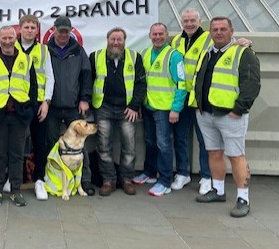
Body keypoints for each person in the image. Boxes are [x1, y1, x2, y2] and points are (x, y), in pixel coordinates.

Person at [171, 8, 252, 195]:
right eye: (186, 21)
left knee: (206, 143)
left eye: (193, 20)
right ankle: (183, 173)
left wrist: (247, 42)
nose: (189, 24)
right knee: (181, 138)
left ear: (200, 22)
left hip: (205, 101)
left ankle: (207, 178)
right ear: (181, 23)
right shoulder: (176, 40)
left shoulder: (210, 37)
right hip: (184, 97)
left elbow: (231, 46)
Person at [192, 17, 260, 218]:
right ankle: (218, 191)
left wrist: (239, 109)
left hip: (231, 116)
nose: (218, 32)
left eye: (223, 29)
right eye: (215, 29)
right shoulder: (207, 53)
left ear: (232, 31)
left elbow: (251, 84)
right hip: (206, 113)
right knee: (214, 153)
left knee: (236, 156)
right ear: (210, 33)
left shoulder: (244, 53)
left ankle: (243, 198)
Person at [89, 27, 146, 197]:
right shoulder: (95, 57)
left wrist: (135, 106)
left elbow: (141, 84)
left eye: (119, 40)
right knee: (104, 147)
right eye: (112, 39)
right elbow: (88, 81)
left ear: (124, 41)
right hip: (103, 108)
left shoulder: (135, 57)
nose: (115, 43)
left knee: (129, 147)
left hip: (126, 109)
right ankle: (108, 180)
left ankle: (126, 179)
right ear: (107, 40)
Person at [0, 26, 37, 207]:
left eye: (10, 38)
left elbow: (34, 88)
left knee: (17, 155)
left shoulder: (27, 59)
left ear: (16, 38)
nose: (7, 41)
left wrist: (29, 111)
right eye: (4, 38)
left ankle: (16, 190)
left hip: (19, 116)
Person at [135, 23, 186, 197]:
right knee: (149, 141)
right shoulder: (145, 53)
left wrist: (176, 109)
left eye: (160, 34)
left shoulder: (175, 56)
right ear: (150, 36)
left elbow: (181, 84)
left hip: (165, 109)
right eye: (154, 34)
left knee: (164, 144)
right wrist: (141, 104)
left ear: (167, 35)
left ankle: (165, 181)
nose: (157, 37)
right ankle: (150, 172)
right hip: (149, 105)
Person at [45, 16, 95, 196]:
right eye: (61, 30)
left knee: (80, 145)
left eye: (67, 31)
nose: (64, 34)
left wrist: (84, 99)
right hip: (52, 107)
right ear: (54, 30)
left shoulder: (78, 50)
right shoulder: (45, 50)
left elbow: (87, 76)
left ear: (70, 31)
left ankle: (85, 181)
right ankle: (51, 179)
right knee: (51, 145)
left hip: (74, 106)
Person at [15, 14, 54, 201]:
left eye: (33, 27)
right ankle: (13, 179)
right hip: (17, 104)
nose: (30, 30)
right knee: (15, 143)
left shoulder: (44, 50)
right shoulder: (10, 47)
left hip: (38, 105)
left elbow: (50, 78)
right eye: (26, 27)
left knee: (40, 144)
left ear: (37, 30)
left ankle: (39, 180)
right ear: (20, 29)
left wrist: (46, 102)